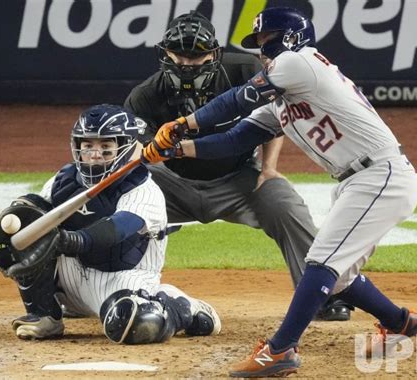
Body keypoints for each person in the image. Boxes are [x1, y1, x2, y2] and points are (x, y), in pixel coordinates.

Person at [141, 7, 417, 377]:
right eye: (258, 44)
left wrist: (184, 123)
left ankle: (280, 349)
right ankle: (400, 323)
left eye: (266, 41)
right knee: (337, 277)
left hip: (381, 175)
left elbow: (237, 99)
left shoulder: (299, 63)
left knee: (321, 262)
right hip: (359, 180)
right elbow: (234, 138)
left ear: (289, 39)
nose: (261, 50)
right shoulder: (283, 98)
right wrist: (177, 148)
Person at [125, 10, 351, 321]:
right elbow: (141, 152)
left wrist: (269, 168)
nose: (186, 64)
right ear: (165, 53)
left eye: (196, 56)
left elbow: (275, 117)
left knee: (285, 205)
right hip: (172, 186)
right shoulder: (145, 95)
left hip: (239, 179)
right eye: (179, 55)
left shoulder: (244, 69)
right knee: (120, 202)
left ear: (214, 54)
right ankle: (102, 290)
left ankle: (324, 294)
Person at [0, 104, 221, 344]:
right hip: (72, 278)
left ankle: (178, 305)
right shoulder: (63, 181)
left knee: (135, 325)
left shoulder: (143, 189)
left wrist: (66, 240)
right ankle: (44, 315)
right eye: (88, 145)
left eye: (105, 146)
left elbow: (116, 230)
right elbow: (33, 219)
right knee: (29, 233)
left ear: (125, 147)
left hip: (123, 280)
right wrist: (17, 223)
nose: (94, 153)